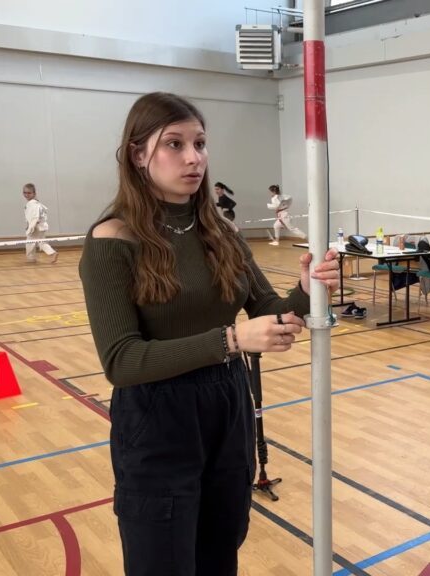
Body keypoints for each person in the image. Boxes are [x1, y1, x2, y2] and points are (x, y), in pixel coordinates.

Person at [77, 92, 340, 576]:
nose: (193, 157)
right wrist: (231, 341)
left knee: (221, 550)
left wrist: (306, 291)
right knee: (164, 560)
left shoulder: (221, 232)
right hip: (156, 417)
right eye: (173, 144)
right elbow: (121, 361)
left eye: (199, 143)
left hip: (227, 406)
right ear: (138, 155)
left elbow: (269, 310)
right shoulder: (112, 240)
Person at [22, 183, 58, 264]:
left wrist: (30, 227)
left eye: (29, 193)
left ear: (34, 193)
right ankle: (52, 253)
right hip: (41, 226)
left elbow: (35, 217)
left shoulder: (33, 204)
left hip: (36, 227)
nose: (26, 195)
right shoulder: (36, 203)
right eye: (25, 193)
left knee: (30, 242)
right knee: (41, 242)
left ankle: (31, 258)